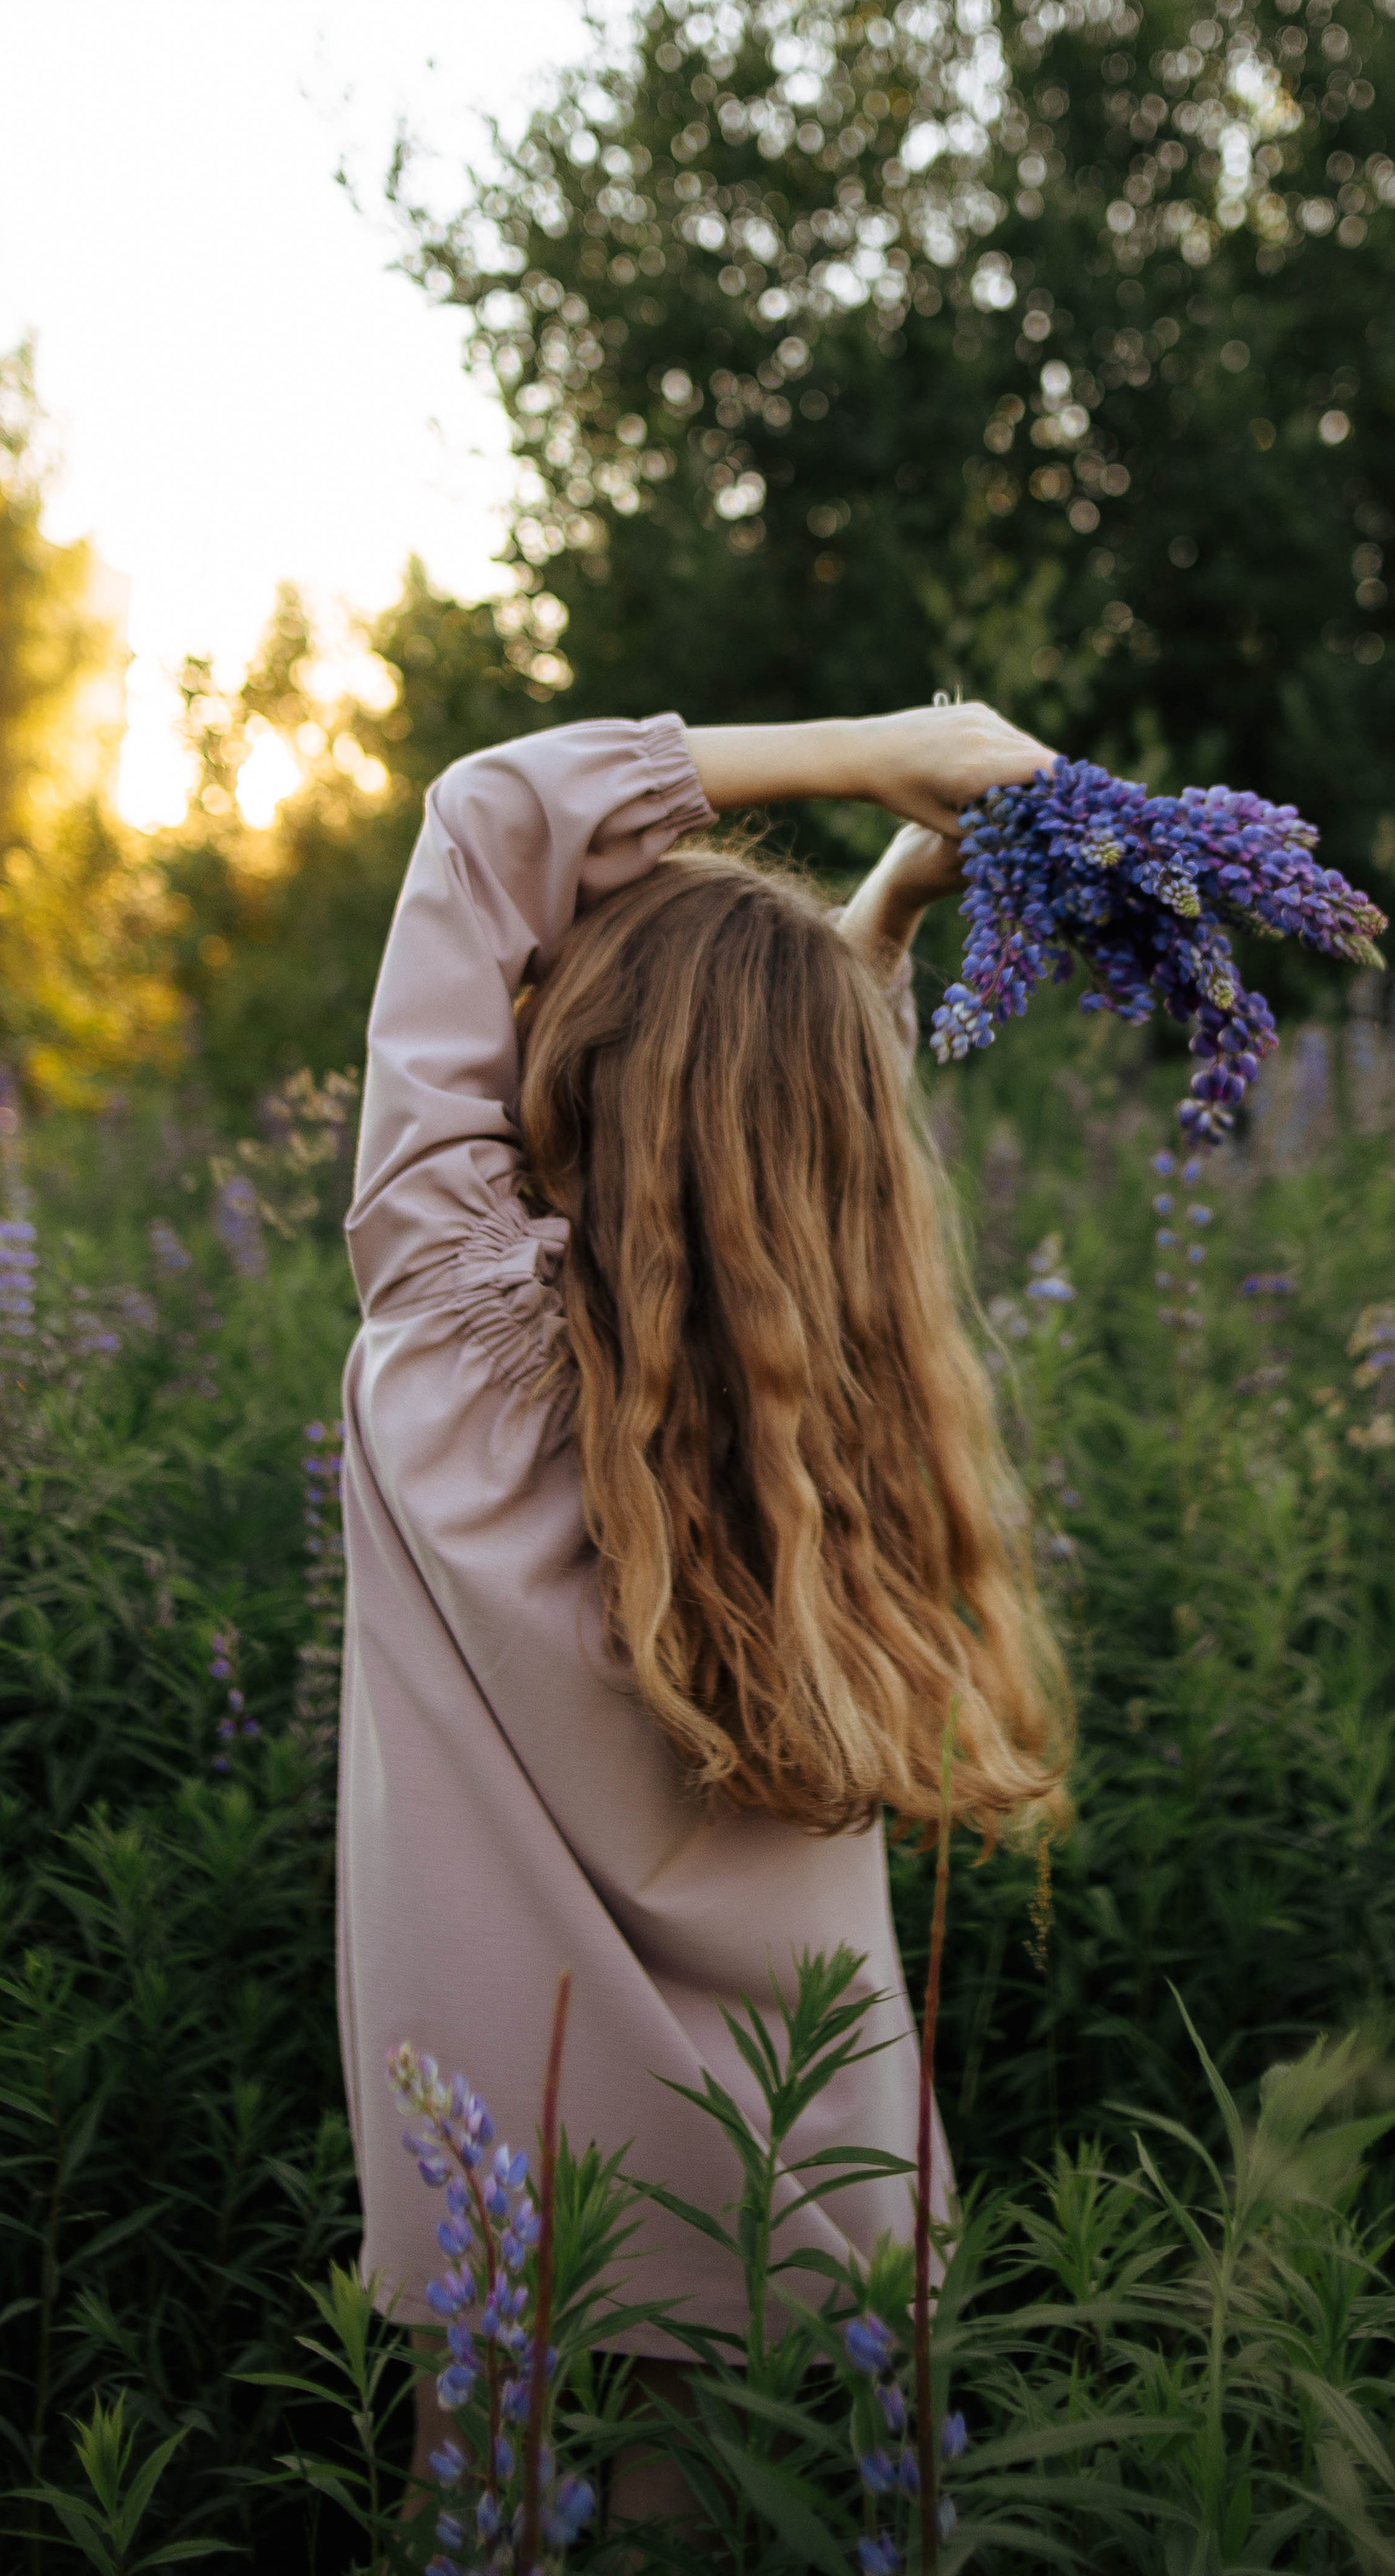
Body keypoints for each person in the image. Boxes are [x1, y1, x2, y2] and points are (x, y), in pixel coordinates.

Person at [334, 702, 1072, 2519]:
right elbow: (777, 1147)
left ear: (565, 1058)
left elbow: (487, 812)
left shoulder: (448, 1347)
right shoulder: (824, 1433)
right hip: (808, 2178)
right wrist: (873, 927)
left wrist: (877, 748)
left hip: (512, 2181)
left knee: (484, 2524)